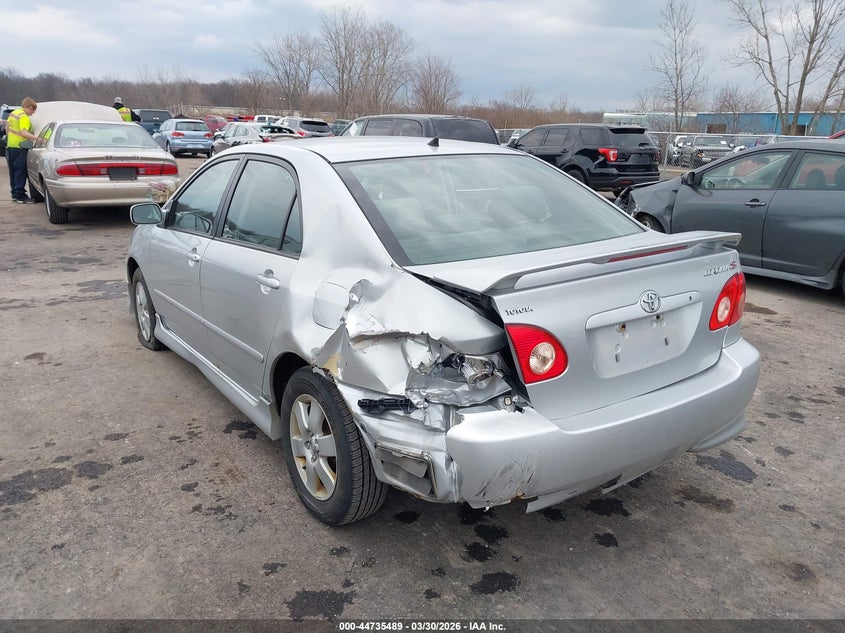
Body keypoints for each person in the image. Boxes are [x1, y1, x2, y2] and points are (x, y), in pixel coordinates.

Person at [5, 97, 39, 203]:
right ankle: (21, 196)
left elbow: (7, 128)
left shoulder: (14, 113)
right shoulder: (23, 117)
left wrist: (11, 139)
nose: (33, 113)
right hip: (20, 147)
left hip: (10, 146)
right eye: (33, 110)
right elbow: (24, 133)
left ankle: (15, 194)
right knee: (20, 172)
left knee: (13, 172)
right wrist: (37, 138)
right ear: (29, 107)